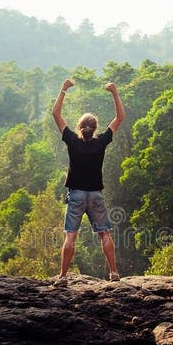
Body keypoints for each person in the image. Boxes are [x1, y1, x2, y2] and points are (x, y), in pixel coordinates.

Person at [52, 79, 125, 284]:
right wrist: (114, 93)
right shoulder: (101, 142)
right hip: (95, 195)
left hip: (76, 195)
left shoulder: (72, 141)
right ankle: (114, 273)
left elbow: (56, 114)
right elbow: (120, 117)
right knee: (104, 233)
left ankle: (63, 276)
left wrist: (64, 89)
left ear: (79, 127)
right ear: (95, 128)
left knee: (70, 236)